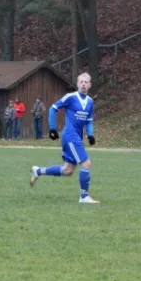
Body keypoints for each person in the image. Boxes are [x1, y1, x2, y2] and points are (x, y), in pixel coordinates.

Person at [29, 73, 99, 204]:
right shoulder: (71, 97)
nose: (83, 84)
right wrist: (52, 128)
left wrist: (90, 135)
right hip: (70, 136)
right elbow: (53, 109)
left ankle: (38, 171)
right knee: (86, 163)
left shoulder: (90, 102)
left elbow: (89, 121)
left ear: (90, 85)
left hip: (77, 137)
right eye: (81, 82)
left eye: (86, 82)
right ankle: (84, 197)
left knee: (68, 170)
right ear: (77, 84)